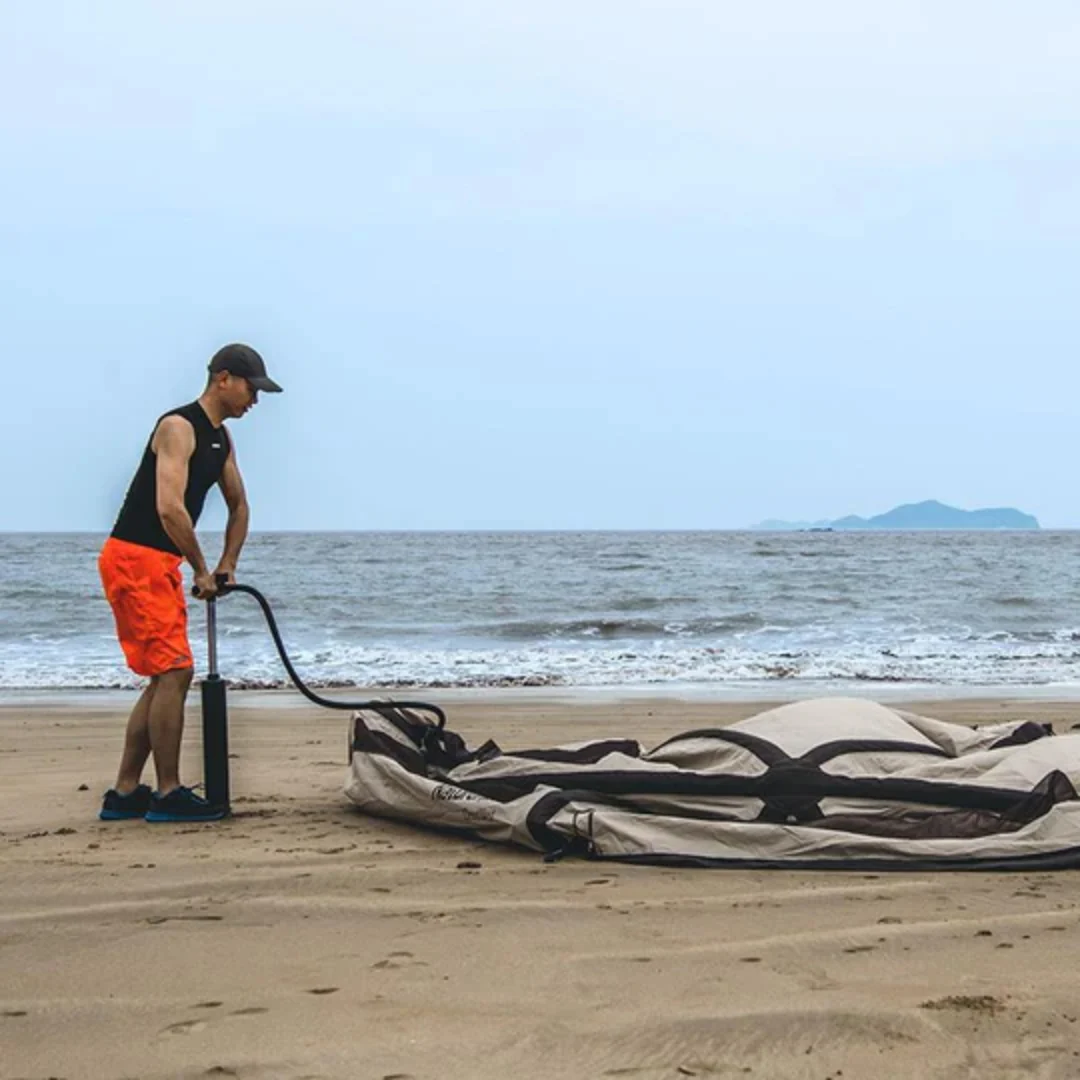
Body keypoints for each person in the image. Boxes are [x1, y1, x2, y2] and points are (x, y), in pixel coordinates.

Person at [97, 343, 283, 822]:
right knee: (176, 671)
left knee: (165, 674)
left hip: (158, 561)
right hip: (135, 557)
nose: (255, 401)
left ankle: (124, 793)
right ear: (223, 379)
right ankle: (167, 793)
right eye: (250, 388)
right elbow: (168, 507)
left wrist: (227, 563)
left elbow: (239, 505)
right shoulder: (177, 427)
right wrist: (199, 568)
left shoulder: (221, 439)